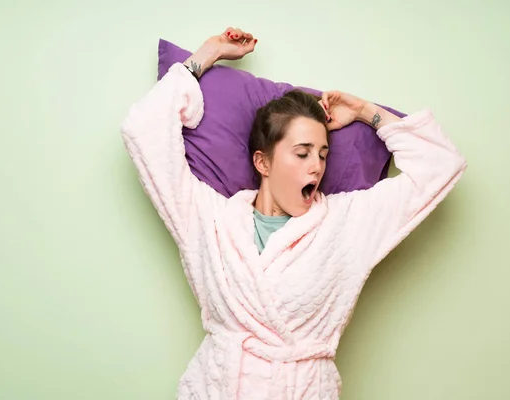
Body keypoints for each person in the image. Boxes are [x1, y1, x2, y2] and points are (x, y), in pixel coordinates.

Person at [121, 27, 467, 400]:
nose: (316, 166)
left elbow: (440, 164)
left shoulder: (346, 224)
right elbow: (144, 131)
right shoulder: (209, 218)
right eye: (302, 153)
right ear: (263, 162)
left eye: (322, 154)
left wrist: (366, 112)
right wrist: (208, 53)